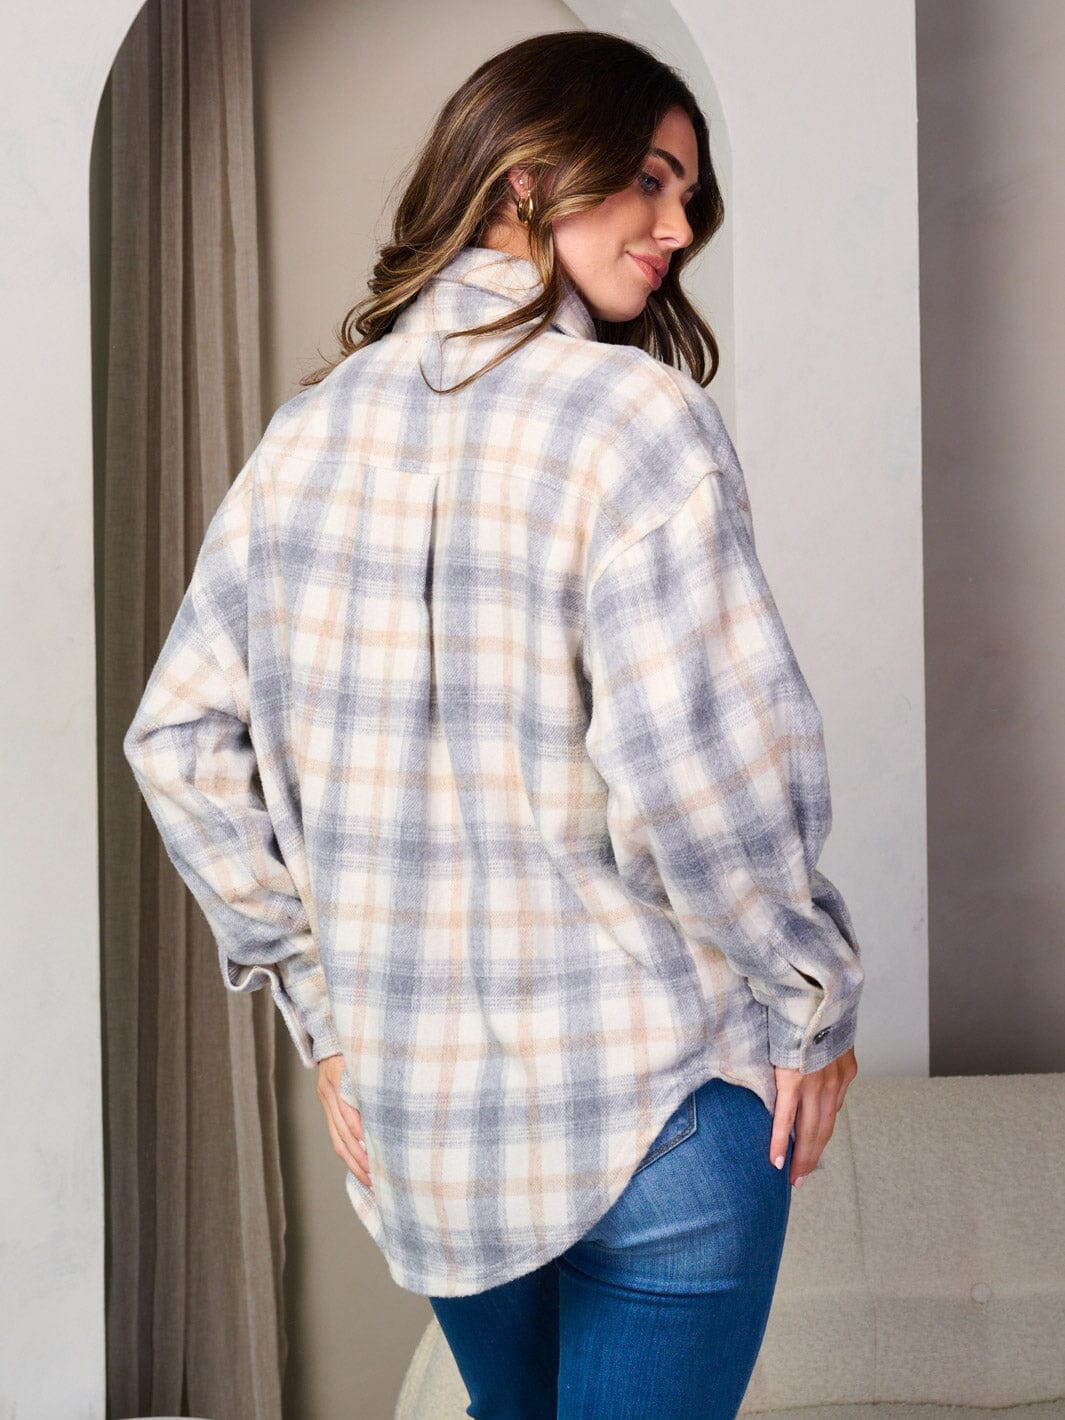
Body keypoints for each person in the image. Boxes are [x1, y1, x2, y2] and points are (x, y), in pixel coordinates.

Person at [123, 29, 864, 1420]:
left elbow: (178, 742)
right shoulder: (633, 420)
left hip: (428, 1138)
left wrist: (327, 1015)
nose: (679, 226)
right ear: (526, 179)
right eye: (650, 179)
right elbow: (701, 781)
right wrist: (810, 1000)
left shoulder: (302, 438)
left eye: (688, 195)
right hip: (659, 1116)